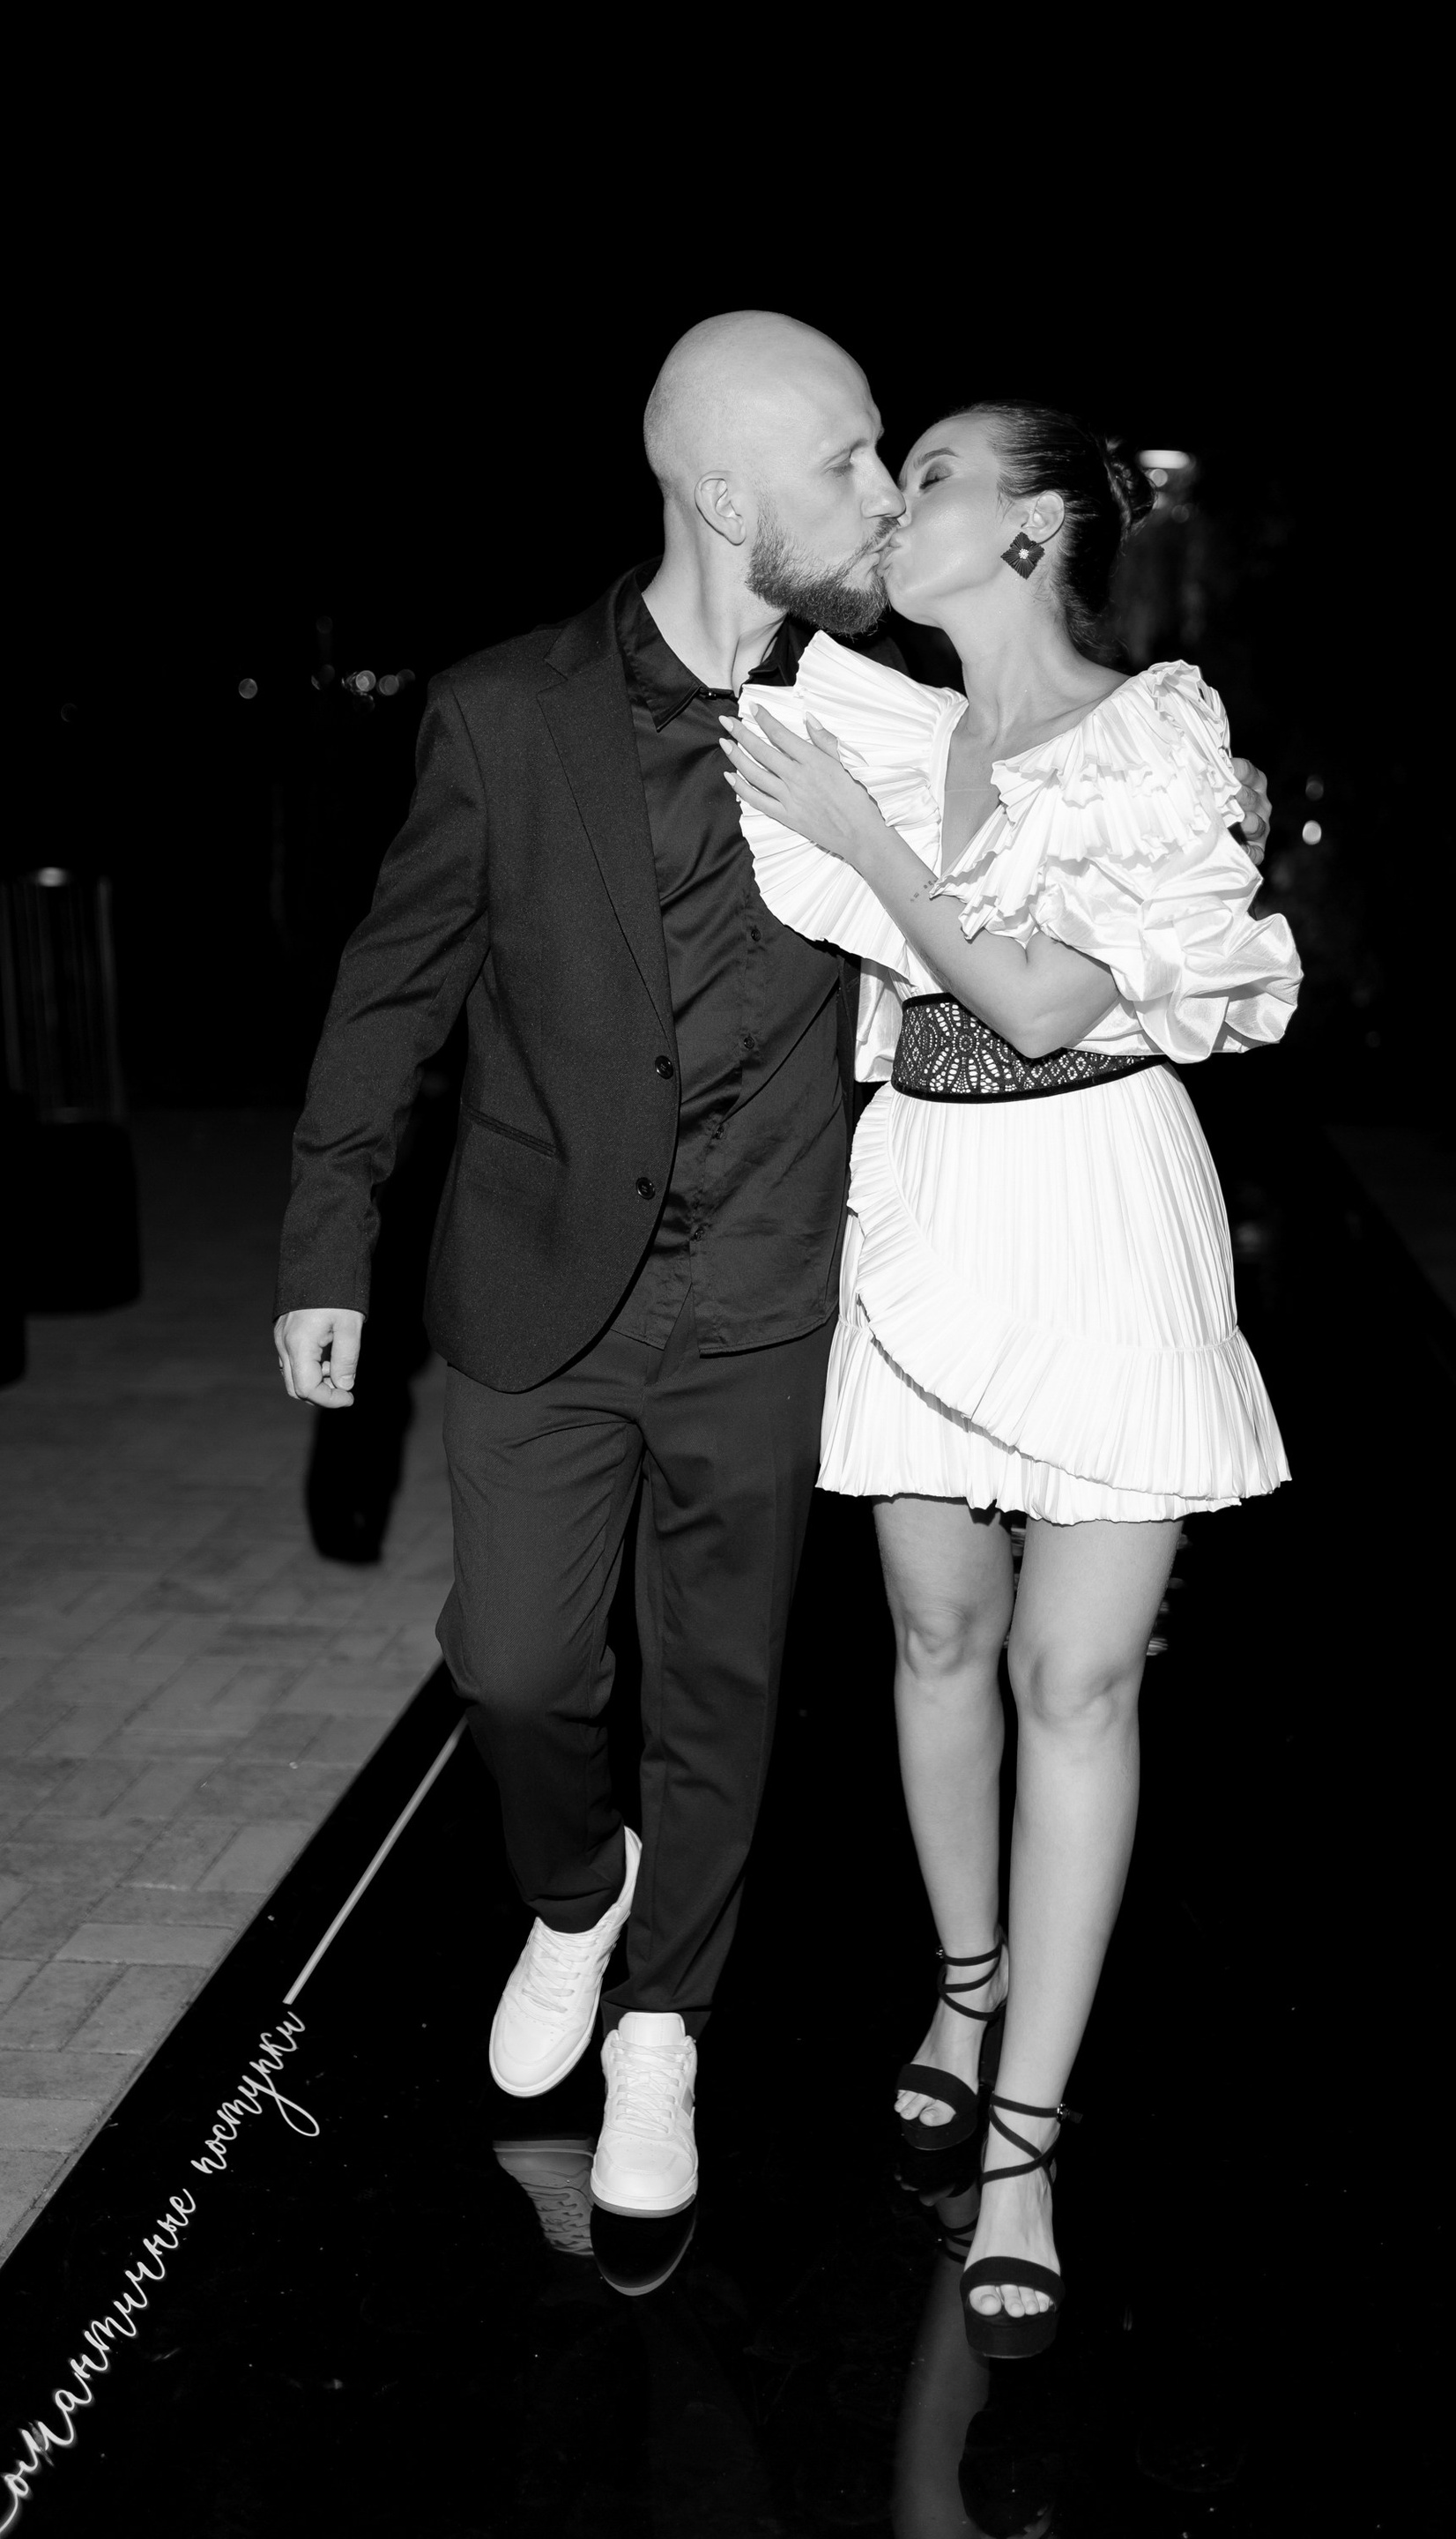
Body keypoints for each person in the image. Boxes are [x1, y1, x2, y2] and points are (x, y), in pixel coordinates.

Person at [272, 317, 1275, 2234]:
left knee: (808, 1686)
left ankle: (706, 2042)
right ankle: (609, 1904)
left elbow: (1082, 885)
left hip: (828, 1269)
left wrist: (1206, 823)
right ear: (730, 500)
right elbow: (394, 987)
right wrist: (329, 1240)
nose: (884, 495)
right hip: (637, 1266)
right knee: (544, 1669)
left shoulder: (884, 713)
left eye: (909, 462)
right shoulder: (534, 711)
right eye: (855, 463)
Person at [720, 402, 1299, 2355]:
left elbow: (1048, 1002)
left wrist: (866, 843)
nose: (902, 501)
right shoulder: (879, 723)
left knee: (1077, 1677)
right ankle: (966, 1987)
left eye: (939, 475)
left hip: (1099, 1204)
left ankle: (1031, 2142)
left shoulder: (1152, 739)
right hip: (930, 1193)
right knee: (936, 1639)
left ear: (1040, 526)